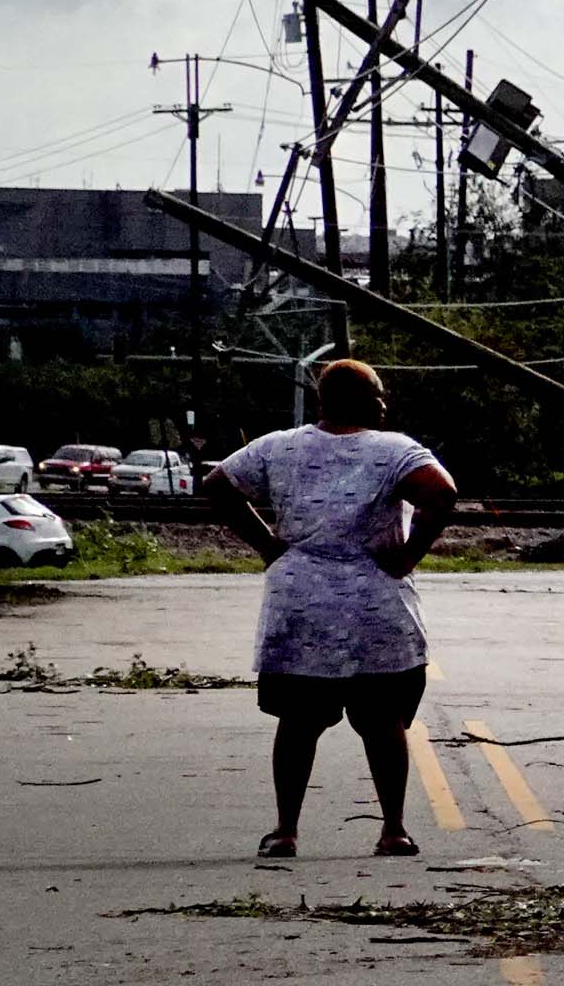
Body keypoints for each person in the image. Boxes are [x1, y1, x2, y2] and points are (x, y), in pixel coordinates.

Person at [202, 359, 459, 860]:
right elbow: (441, 492)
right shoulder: (395, 451)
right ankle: (393, 830)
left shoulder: (278, 446)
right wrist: (408, 554)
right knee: (385, 723)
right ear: (362, 401)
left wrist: (266, 543)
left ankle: (285, 831)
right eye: (379, 394)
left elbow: (216, 485)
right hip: (374, 607)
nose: (385, 403)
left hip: (300, 606)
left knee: (298, 721)